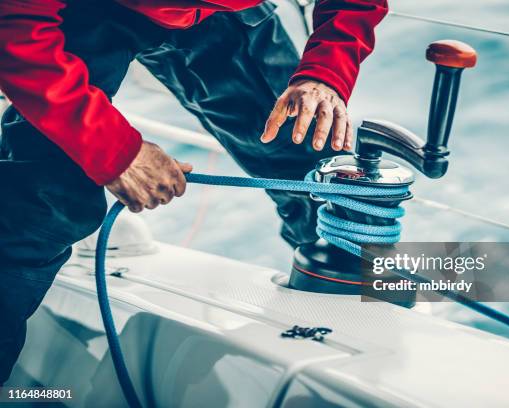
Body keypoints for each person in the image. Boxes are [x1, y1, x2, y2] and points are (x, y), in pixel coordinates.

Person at [0, 0, 388, 383]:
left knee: (323, 180)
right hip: (88, 10)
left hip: (225, 12)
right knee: (41, 209)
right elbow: (15, 28)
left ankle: (375, 335)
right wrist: (113, 150)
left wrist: (325, 72)